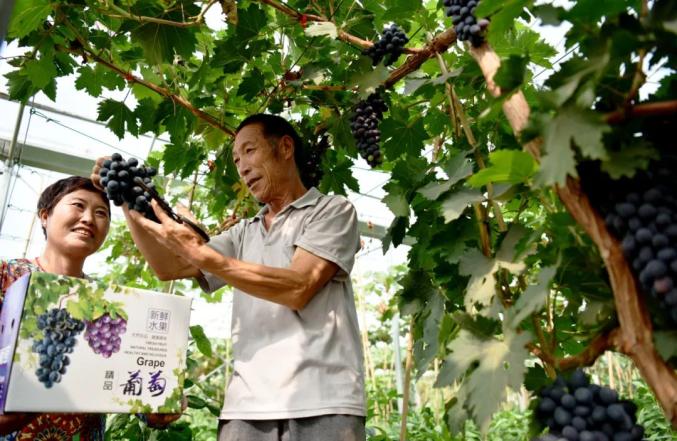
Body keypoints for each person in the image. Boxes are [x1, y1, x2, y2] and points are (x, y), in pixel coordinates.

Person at [92, 114, 366, 440]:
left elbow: (299, 286)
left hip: (324, 402)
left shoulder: (332, 211)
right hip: (245, 407)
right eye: (236, 160)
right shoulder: (243, 232)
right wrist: (126, 198)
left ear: (285, 147)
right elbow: (168, 267)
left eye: (249, 151)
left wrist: (203, 255)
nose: (242, 167)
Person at [0, 176, 180, 440]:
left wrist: (154, 410)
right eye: (78, 205)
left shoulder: (109, 303)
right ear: (45, 216)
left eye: (101, 213)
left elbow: (120, 372)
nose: (88, 219)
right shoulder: (6, 277)